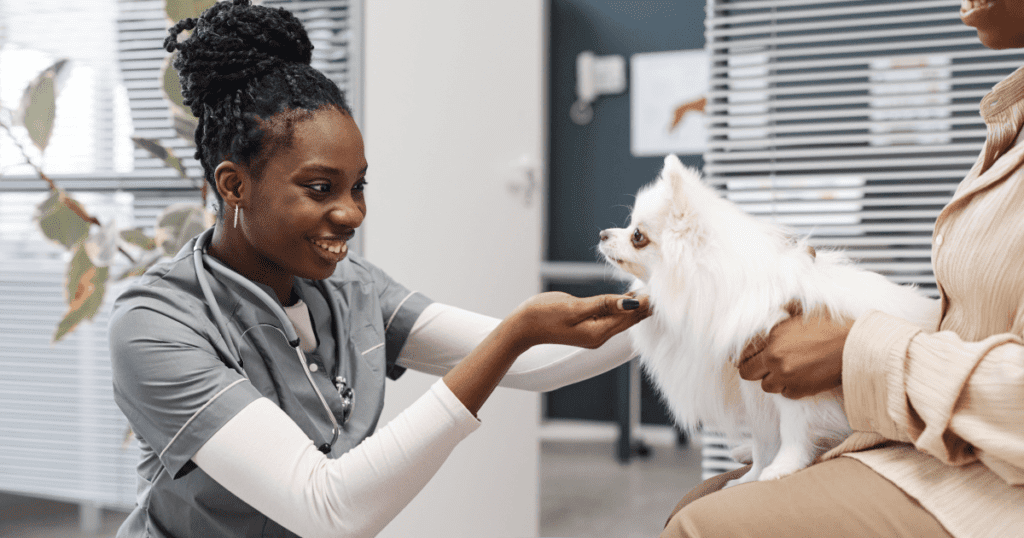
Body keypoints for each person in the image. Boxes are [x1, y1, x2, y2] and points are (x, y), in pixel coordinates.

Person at [107, 2, 649, 536]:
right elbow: (327, 509)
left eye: (358, 186)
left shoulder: (352, 287)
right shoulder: (157, 325)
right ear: (234, 186)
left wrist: (684, 298)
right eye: (321, 188)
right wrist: (514, 335)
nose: (351, 213)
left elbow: (537, 362)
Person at [660, 2, 1024, 537]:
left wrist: (852, 349)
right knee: (701, 500)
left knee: (703, 526)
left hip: (995, 479)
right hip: (959, 447)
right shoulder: (1007, 123)